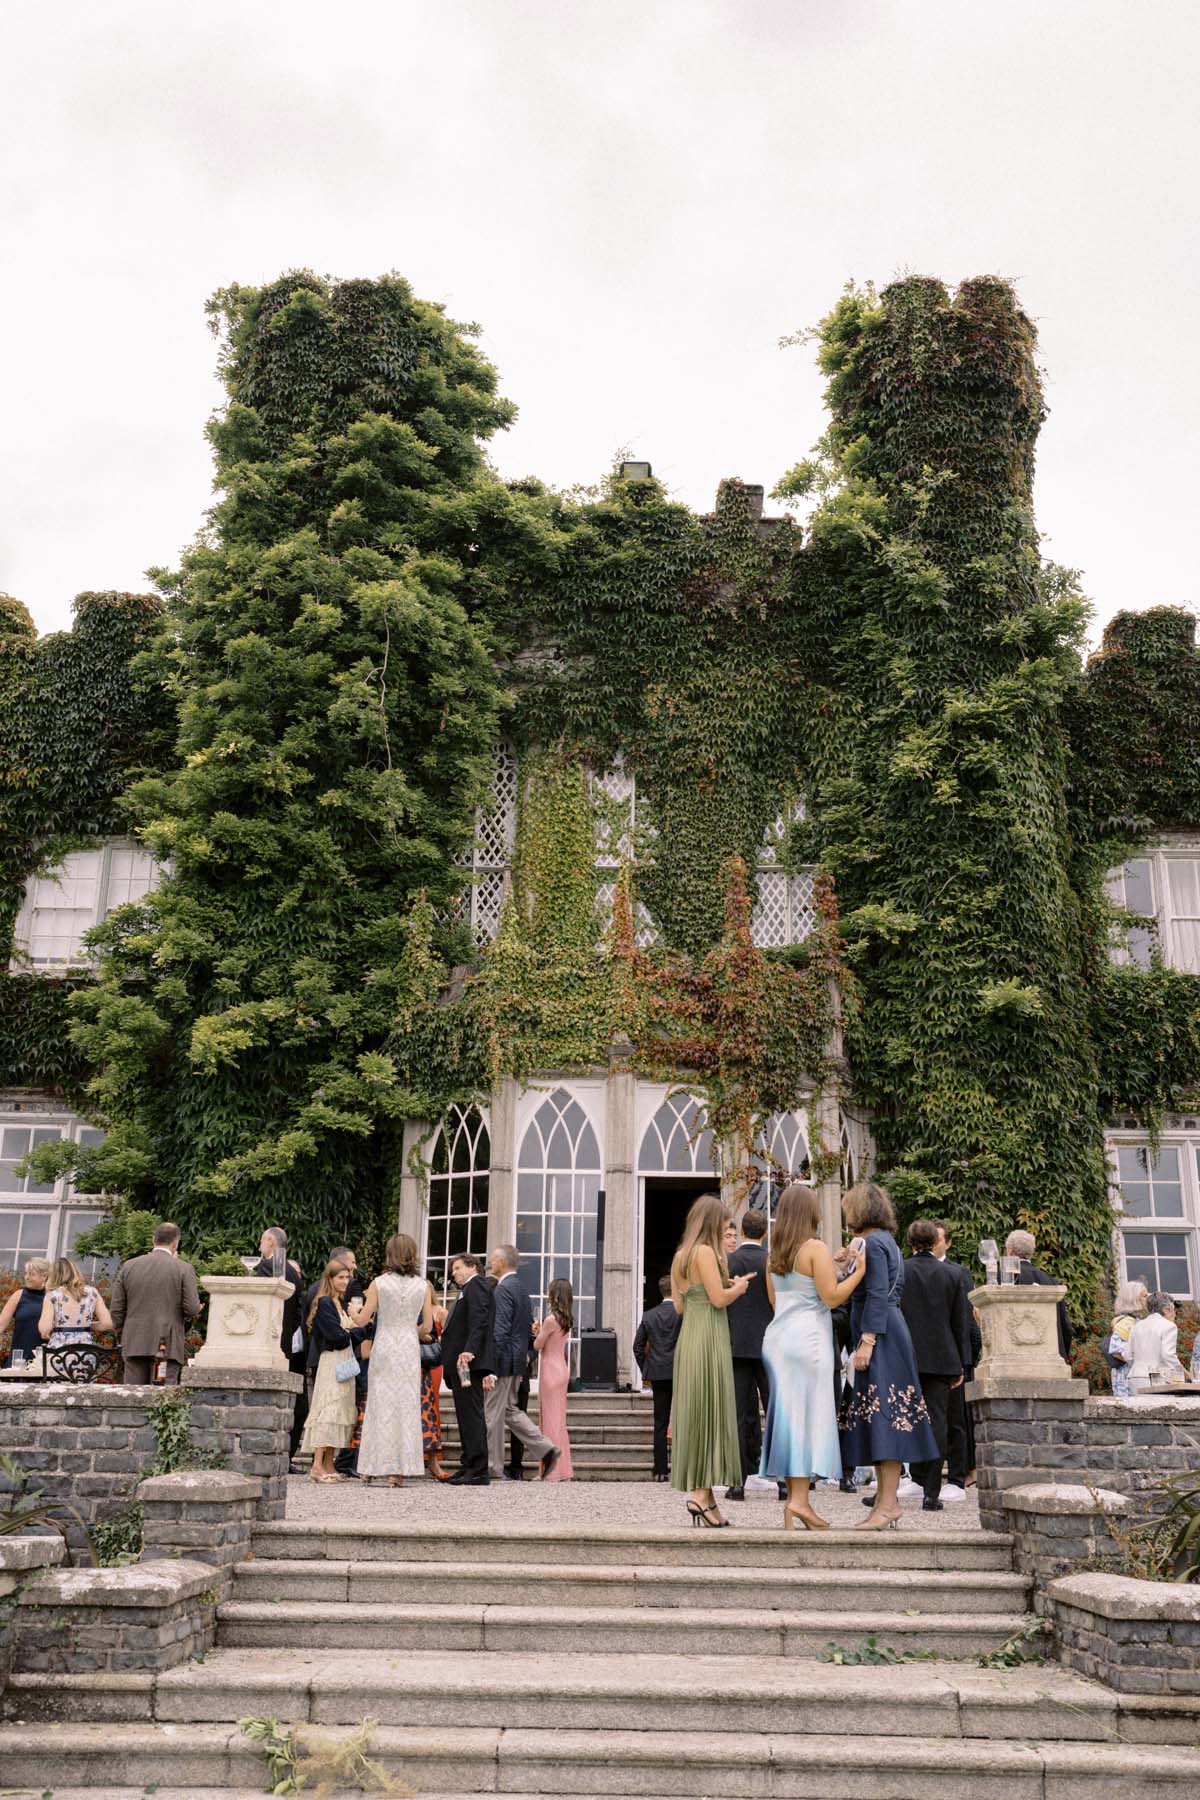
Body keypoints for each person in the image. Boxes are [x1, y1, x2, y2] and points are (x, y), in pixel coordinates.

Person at [760, 1183, 865, 1529]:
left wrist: (833, 1266)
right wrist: (857, 1273)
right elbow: (832, 1297)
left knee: (788, 1420)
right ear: (811, 1212)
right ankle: (801, 1502)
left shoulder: (774, 1254)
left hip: (778, 1341)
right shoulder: (815, 1247)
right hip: (809, 1340)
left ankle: (793, 1502)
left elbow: (777, 1301)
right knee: (807, 1420)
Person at [837, 1182, 939, 1531]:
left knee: (886, 1418)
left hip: (880, 1336)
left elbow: (878, 1294)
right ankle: (884, 1502)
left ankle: (889, 1503)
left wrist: (866, 1341)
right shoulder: (882, 1241)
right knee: (880, 1417)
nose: (845, 1213)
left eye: (848, 1207)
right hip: (888, 1331)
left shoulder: (875, 1243)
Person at [669, 1192, 754, 1527]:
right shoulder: (705, 1252)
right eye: (723, 1224)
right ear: (711, 1223)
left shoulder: (680, 1256)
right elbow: (719, 1300)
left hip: (690, 1334)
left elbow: (678, 1305)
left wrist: (720, 1286)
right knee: (710, 1410)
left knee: (699, 1412)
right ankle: (701, 1496)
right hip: (709, 1336)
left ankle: (705, 1495)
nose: (726, 1230)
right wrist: (738, 1288)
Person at [900, 1219, 971, 1512]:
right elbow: (960, 1324)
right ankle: (932, 1491)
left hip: (906, 1356)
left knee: (905, 1420)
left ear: (910, 1242)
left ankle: (905, 1481)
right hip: (942, 1358)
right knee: (938, 1422)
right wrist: (961, 1364)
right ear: (935, 1242)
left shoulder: (900, 1271)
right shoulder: (952, 1274)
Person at [355, 1233, 431, 1485]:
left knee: (379, 1404)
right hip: (408, 1348)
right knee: (406, 1405)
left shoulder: (378, 1283)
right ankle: (398, 1471)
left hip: (385, 1345)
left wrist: (353, 1313)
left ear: (390, 1254)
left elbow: (364, 1319)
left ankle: (370, 1467)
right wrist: (412, 1331)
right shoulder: (423, 1286)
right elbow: (427, 1326)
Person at [484, 1245, 561, 1480]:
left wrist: (491, 1367)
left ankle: (492, 1467)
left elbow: (500, 1330)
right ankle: (546, 1448)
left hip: (503, 1361)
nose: (490, 1262)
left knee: (491, 1414)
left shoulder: (503, 1289)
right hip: (517, 1361)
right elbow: (525, 1327)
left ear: (500, 1261)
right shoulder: (521, 1289)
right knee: (508, 1410)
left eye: (493, 1259)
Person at [725, 1209, 782, 1502]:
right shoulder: (771, 1261)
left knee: (736, 1416)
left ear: (744, 1231)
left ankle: (737, 1482)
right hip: (769, 1345)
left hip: (736, 1345)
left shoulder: (729, 1261)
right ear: (764, 1233)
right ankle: (783, 1481)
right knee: (775, 1411)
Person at [108, 1223, 200, 1384]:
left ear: (153, 1240)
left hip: (134, 1340)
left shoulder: (129, 1266)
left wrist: (124, 1333)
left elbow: (116, 1309)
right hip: (167, 1343)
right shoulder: (183, 1268)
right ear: (176, 1243)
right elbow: (192, 1309)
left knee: (133, 1397)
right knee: (161, 1399)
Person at [300, 1261, 359, 1480]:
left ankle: (328, 1463)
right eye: (341, 1277)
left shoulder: (339, 1303)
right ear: (330, 1279)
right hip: (332, 1360)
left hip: (344, 1360)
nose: (345, 1281)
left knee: (341, 1409)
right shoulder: (325, 1302)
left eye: (347, 1277)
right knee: (328, 1408)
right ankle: (317, 1465)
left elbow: (347, 1331)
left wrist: (352, 1328)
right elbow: (335, 1335)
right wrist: (353, 1331)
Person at [932, 1221, 978, 1495]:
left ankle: (958, 1477)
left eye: (939, 1239)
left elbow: (967, 1321)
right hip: (926, 1355)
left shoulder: (960, 1273)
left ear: (947, 1243)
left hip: (954, 1356)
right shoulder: (911, 1269)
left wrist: (966, 1358)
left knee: (956, 1420)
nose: (936, 1243)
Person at [254, 1226, 307, 1456]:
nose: (259, 1246)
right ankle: (288, 1453)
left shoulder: (265, 1267)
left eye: (262, 1241)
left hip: (268, 1340)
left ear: (271, 1242)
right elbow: (297, 1313)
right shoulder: (294, 1272)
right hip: (286, 1342)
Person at [441, 1253, 494, 1484]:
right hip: (460, 1364)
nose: (454, 1273)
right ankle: (469, 1464)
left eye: (458, 1268)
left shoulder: (478, 1284)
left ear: (473, 1266)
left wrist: (470, 1349)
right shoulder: (467, 1289)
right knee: (465, 1417)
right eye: (453, 1270)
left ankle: (479, 1469)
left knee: (472, 1416)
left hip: (468, 1363)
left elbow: (480, 1319)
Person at [634, 1275, 681, 1481]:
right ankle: (681, 1468)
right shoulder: (682, 1314)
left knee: (660, 1422)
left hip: (658, 1373)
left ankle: (661, 1470)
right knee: (682, 1421)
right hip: (681, 1372)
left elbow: (637, 1347)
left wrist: (646, 1368)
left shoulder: (649, 1316)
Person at [1006, 1230, 1073, 1360]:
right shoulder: (1052, 1282)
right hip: (1052, 1358)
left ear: (1010, 1251)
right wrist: (1062, 1355)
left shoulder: (1005, 1280)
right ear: (1031, 1252)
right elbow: (1066, 1327)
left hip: (1016, 1358)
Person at [534, 1278, 574, 1481]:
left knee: (549, 1421)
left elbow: (538, 1345)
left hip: (550, 1369)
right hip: (562, 1368)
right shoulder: (567, 1319)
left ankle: (550, 1471)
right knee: (559, 1421)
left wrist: (537, 1332)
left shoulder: (550, 1320)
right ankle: (563, 1470)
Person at [39, 1255, 115, 1360]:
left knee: (57, 1375)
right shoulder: (92, 1292)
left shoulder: (52, 1296)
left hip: (60, 1351)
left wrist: (55, 1326)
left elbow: (44, 1329)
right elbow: (107, 1324)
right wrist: (85, 1326)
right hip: (86, 1350)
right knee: (84, 1376)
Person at [1129, 1292, 1187, 1391]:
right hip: (1157, 1377)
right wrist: (1184, 1373)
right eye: (1173, 1310)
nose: (1175, 1314)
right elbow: (1168, 1355)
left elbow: (1127, 1355)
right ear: (1166, 1310)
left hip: (1134, 1376)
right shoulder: (1169, 1326)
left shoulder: (1136, 1325)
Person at [0, 1257, 51, 1368]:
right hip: (19, 1359)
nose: (27, 1277)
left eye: (32, 1274)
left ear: (44, 1276)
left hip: (44, 1359)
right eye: (26, 1273)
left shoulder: (53, 1297)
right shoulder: (18, 1295)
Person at [1105, 1279, 1148, 1398]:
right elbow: (1116, 1350)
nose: (1148, 1299)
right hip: (1126, 1377)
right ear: (1133, 1299)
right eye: (1144, 1296)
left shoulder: (1136, 1321)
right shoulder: (1125, 1322)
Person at [422, 1295, 448, 1481]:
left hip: (425, 1363)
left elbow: (435, 1336)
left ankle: (432, 1459)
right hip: (401, 1362)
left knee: (428, 1411)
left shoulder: (437, 1312)